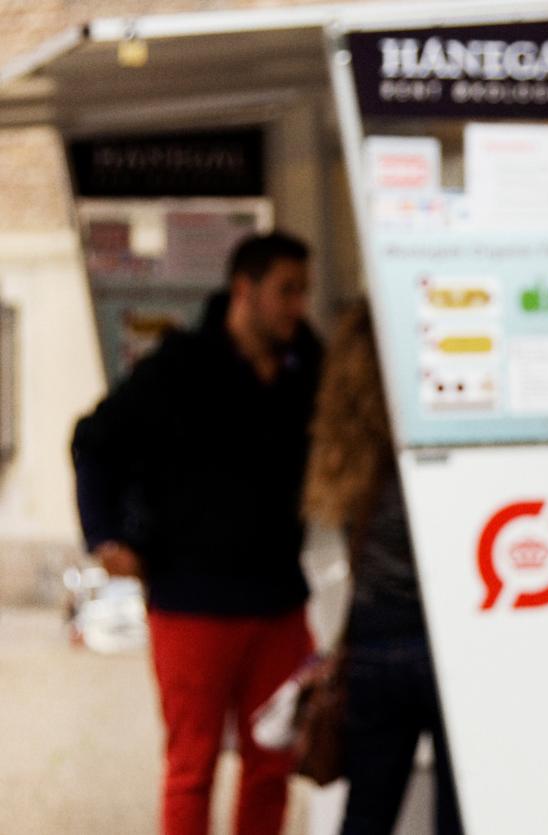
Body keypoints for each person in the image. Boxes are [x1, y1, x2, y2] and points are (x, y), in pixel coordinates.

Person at [71, 231, 323, 835]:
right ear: (245, 289)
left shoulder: (308, 363)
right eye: (286, 291)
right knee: (192, 767)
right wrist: (105, 537)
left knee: (272, 765)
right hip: (190, 604)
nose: (297, 306)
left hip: (280, 604)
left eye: (303, 292)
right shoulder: (178, 366)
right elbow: (92, 440)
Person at [303, 300, 463, 835]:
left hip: (373, 642)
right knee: (457, 814)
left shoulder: (348, 447)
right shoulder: (439, 442)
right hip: (443, 644)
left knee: (367, 815)